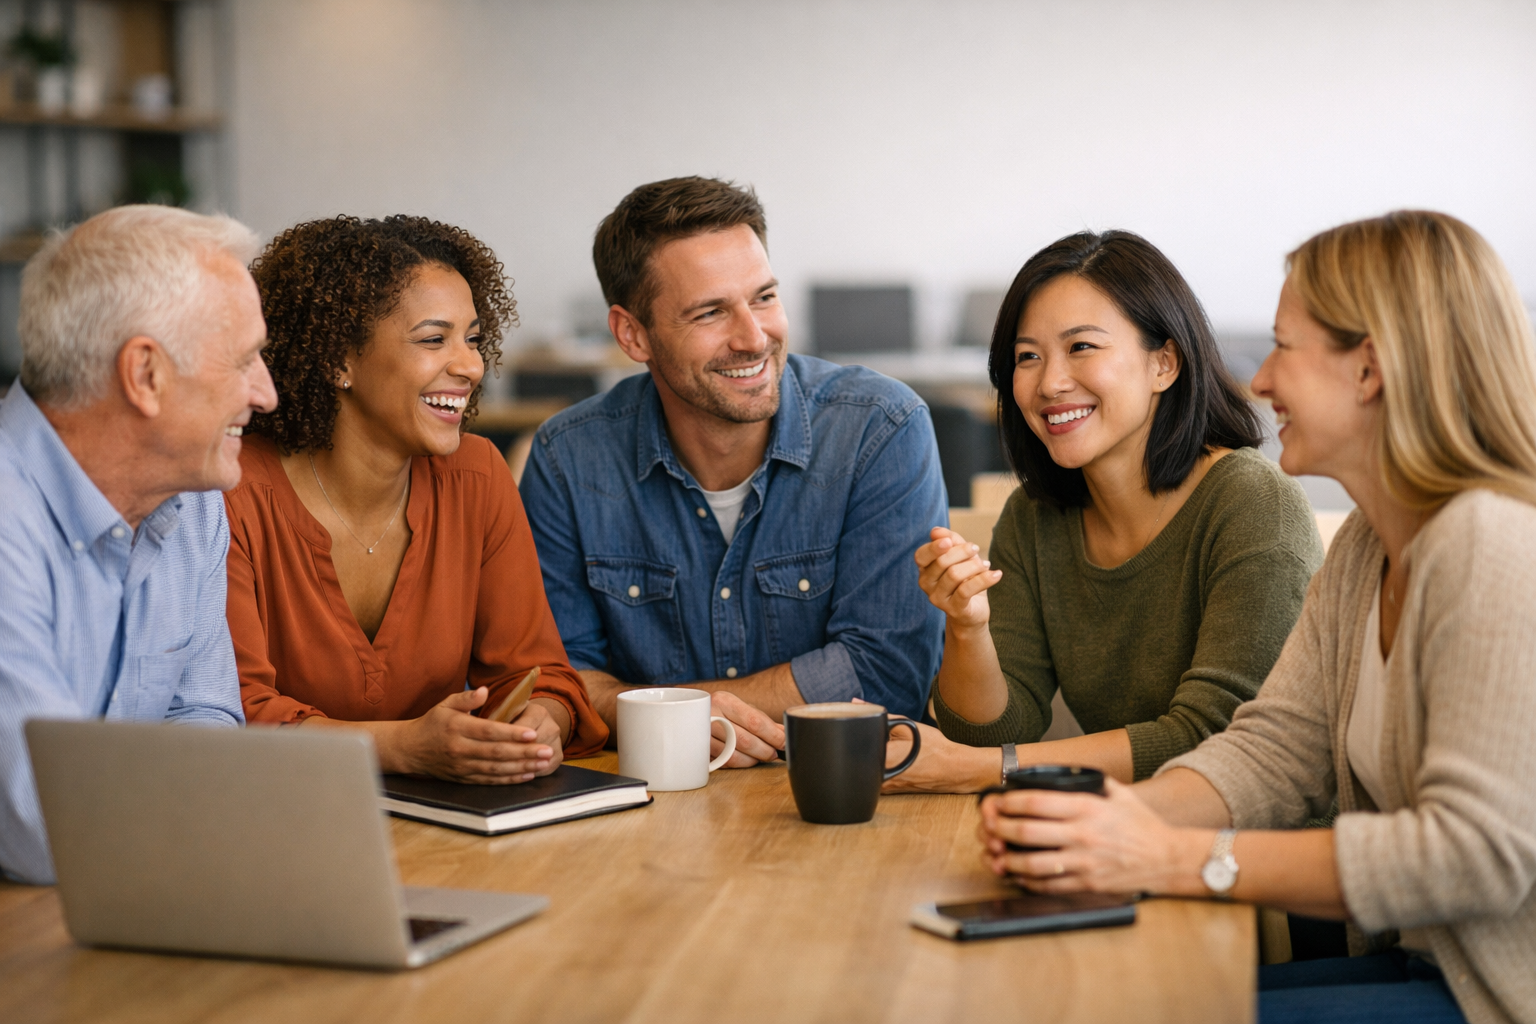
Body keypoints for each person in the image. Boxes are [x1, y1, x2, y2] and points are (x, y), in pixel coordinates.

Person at [979, 211, 1536, 1024]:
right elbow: (1275, 750)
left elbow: (1475, 855)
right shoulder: (1364, 553)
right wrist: (1102, 823)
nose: (1261, 379)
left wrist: (1174, 857)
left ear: (1370, 370)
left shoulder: (1491, 544)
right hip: (1419, 969)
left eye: (1284, 348)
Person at [518, 177, 947, 765]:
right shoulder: (568, 458)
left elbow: (886, 674)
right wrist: (691, 711)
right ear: (632, 334)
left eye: (764, 297)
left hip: (841, 794)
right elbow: (559, 681)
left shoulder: (879, 428)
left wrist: (666, 710)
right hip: (645, 808)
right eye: (710, 312)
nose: (754, 337)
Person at [886, 230, 1322, 793]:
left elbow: (1217, 739)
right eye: (1027, 357)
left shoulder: (1252, 503)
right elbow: (994, 732)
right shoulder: (1035, 516)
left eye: (1082, 347)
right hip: (1114, 833)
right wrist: (968, 627)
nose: (1050, 383)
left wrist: (982, 769)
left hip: (1251, 850)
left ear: (1164, 363)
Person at [225, 215, 607, 782]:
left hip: (451, 824)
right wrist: (402, 747)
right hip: (279, 823)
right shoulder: (230, 492)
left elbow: (539, 672)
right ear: (338, 359)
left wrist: (538, 723)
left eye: (473, 338)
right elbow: (231, 715)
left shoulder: (477, 477)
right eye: (434, 339)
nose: (472, 366)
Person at [0, 206, 275, 884]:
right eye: (244, 361)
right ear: (145, 374)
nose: (265, 393)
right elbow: (42, 826)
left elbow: (208, 721)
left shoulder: (195, 500)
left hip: (122, 898)